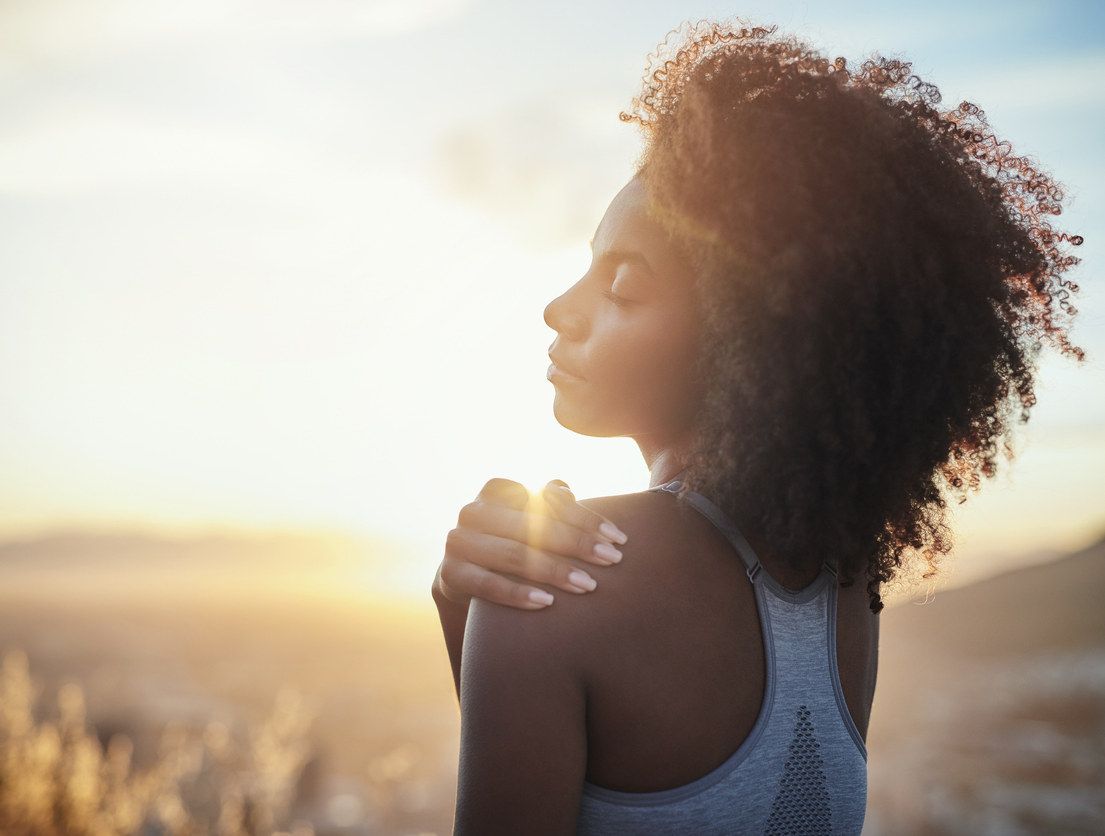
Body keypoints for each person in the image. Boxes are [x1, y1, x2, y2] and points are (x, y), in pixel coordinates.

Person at [430, 20, 1083, 836]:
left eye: (623, 288)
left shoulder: (558, 584)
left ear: (751, 342)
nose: (559, 309)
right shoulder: (846, 592)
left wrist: (486, 614)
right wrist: (466, 612)